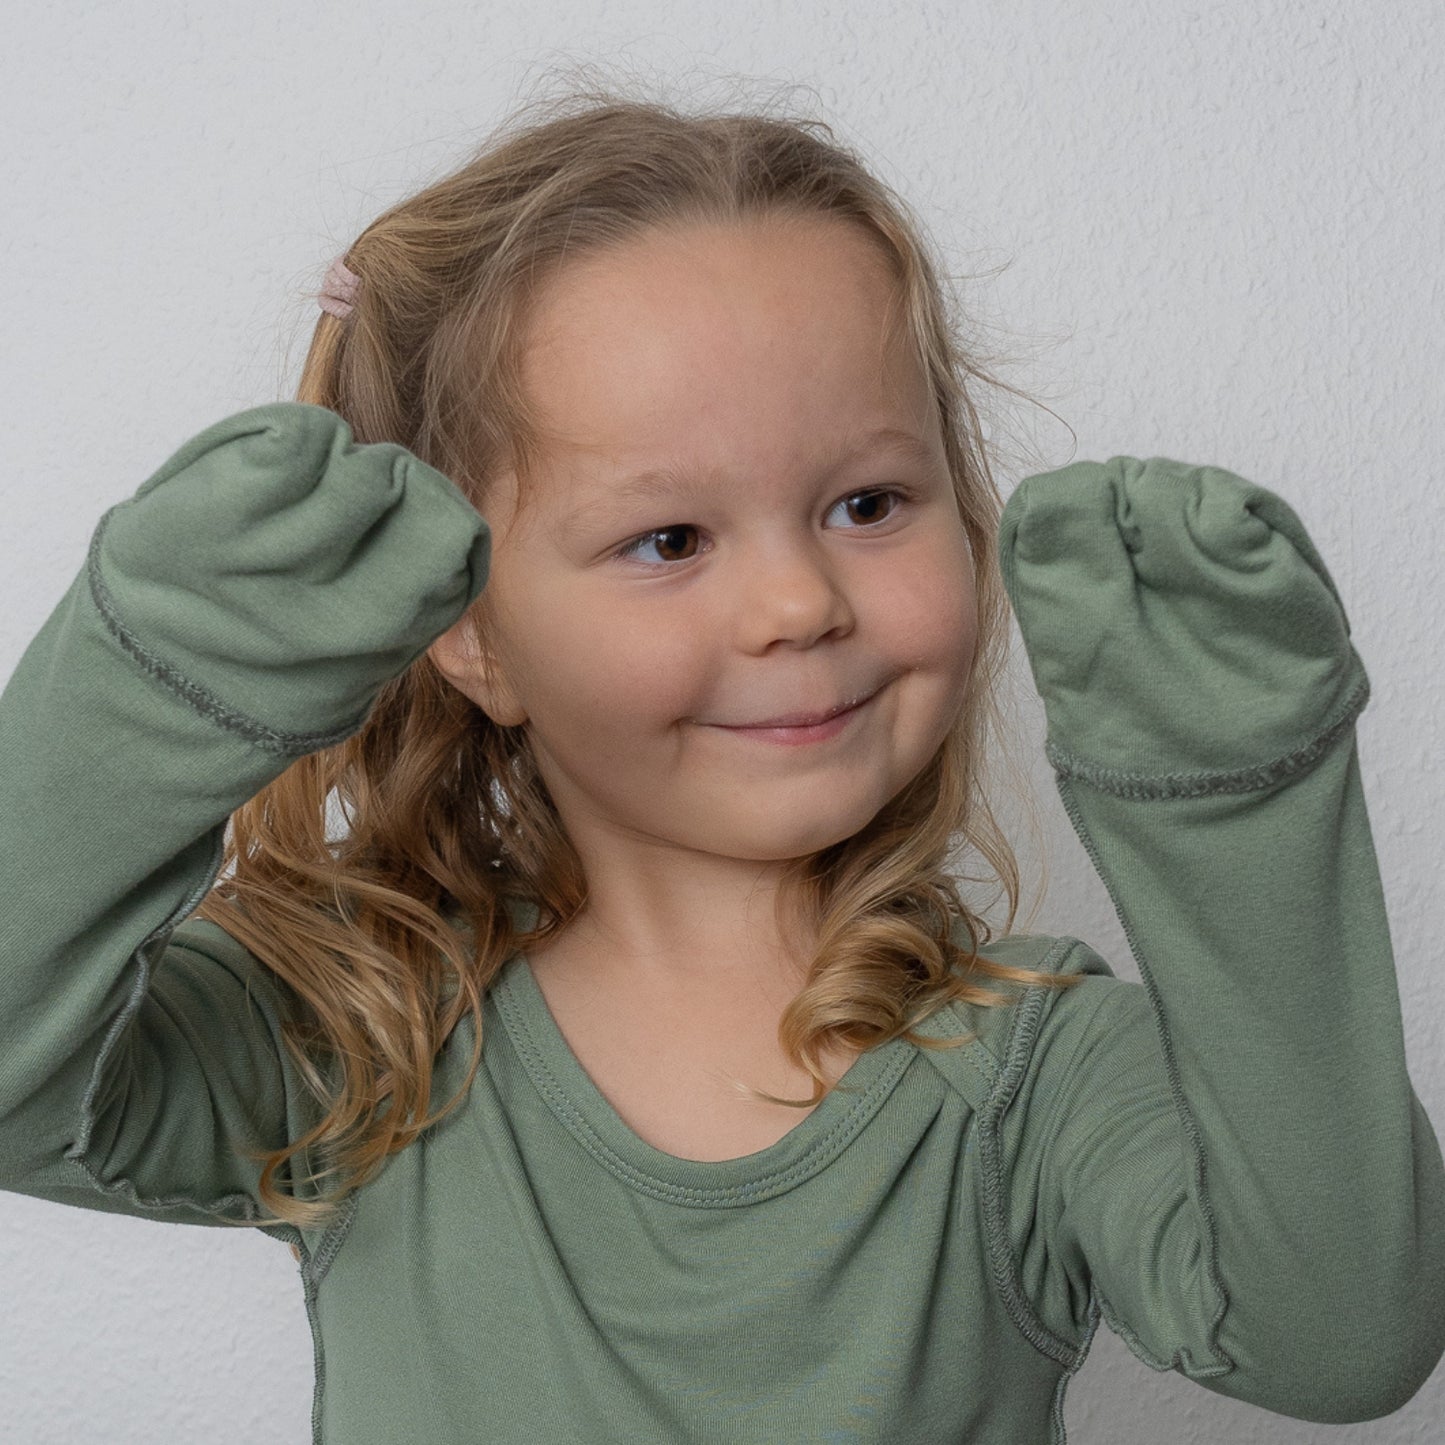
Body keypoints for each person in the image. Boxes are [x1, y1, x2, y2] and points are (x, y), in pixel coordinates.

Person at [2, 80, 1443, 1445]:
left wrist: (1233, 801)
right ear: (465, 629)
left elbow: (1339, 1339)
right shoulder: (359, 1034)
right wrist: (162, 672)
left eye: (867, 501)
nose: (798, 604)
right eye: (668, 539)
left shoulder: (1031, 1074)